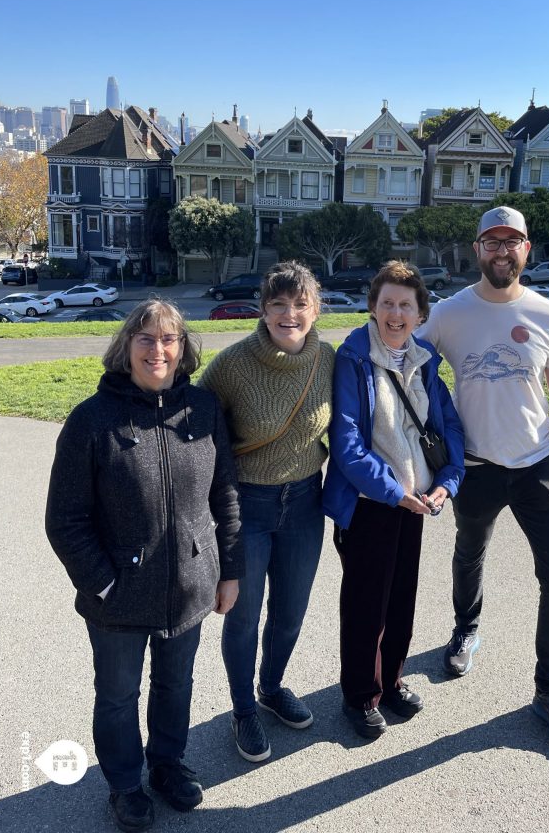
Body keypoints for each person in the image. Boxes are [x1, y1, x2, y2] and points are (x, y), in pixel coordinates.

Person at [45, 298, 241, 832]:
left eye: (169, 339)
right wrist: (104, 584)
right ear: (127, 347)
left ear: (183, 349)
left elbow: (225, 495)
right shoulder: (91, 420)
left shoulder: (203, 410)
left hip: (190, 586)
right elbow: (65, 520)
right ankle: (126, 784)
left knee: (175, 685)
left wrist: (229, 571)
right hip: (118, 597)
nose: (159, 350)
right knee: (118, 696)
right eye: (147, 339)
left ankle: (167, 765)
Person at [417, 206, 549, 753]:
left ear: (526, 249)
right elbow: (402, 361)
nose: (502, 250)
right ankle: (466, 629)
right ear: (477, 250)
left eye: (511, 241)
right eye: (492, 242)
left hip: (537, 463)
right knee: (469, 552)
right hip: (475, 465)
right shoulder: (449, 313)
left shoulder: (548, 314)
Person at [198, 261, 334, 763]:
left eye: (300, 304)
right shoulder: (233, 365)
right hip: (247, 507)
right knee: (243, 616)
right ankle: (242, 710)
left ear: (315, 311)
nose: (289, 314)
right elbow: (195, 426)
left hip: (305, 502)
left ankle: (271, 688)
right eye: (278, 304)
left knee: (290, 612)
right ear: (263, 309)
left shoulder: (328, 360)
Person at [323, 260, 465, 739]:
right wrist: (394, 493)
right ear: (373, 307)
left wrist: (449, 480)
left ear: (420, 314)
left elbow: (447, 425)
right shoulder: (354, 358)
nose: (396, 314)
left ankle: (391, 681)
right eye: (387, 303)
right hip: (371, 505)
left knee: (401, 598)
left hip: (417, 502)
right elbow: (347, 445)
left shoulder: (425, 360)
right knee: (367, 605)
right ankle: (360, 694)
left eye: (406, 305)